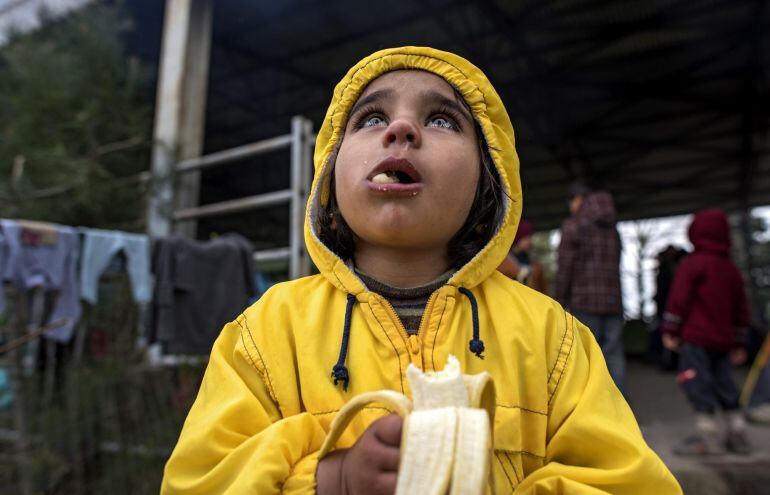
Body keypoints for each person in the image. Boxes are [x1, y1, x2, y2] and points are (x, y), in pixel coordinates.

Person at [161, 47, 680, 494]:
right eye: (370, 119)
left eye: (441, 120)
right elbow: (198, 479)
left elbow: (628, 482)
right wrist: (330, 480)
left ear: (488, 183)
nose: (401, 129)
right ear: (329, 176)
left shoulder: (554, 338)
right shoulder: (264, 333)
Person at [661, 209, 750, 455]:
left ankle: (707, 434)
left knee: (696, 381)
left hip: (696, 338)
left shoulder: (693, 264)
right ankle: (737, 430)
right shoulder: (731, 269)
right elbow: (741, 308)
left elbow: (679, 300)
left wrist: (670, 329)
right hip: (723, 340)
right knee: (724, 383)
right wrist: (740, 342)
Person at [554, 182, 625, 393]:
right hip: (613, 303)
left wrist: (560, 299)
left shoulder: (573, 226)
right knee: (614, 355)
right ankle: (620, 407)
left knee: (586, 356)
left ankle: (595, 409)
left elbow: (565, 267)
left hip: (584, 302)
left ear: (577, 200)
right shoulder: (613, 229)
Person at [497, 219, 548, 293]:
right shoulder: (503, 262)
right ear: (517, 237)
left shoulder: (535, 262)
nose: (530, 241)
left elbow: (543, 288)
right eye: (527, 237)